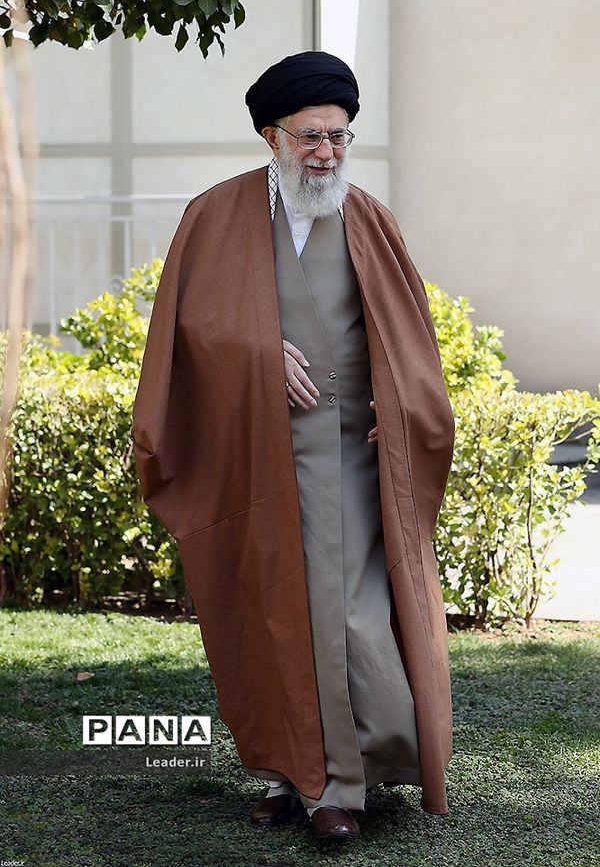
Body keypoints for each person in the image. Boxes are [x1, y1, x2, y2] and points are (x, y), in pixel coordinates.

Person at [132, 50, 455, 844]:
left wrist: (397, 405)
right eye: (311, 136)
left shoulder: (371, 221)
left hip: (353, 462)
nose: (327, 152)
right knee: (268, 612)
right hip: (257, 458)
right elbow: (183, 337)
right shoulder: (214, 217)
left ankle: (337, 786)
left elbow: (410, 339)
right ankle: (288, 774)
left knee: (346, 615)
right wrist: (257, 352)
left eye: (339, 137)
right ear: (272, 136)